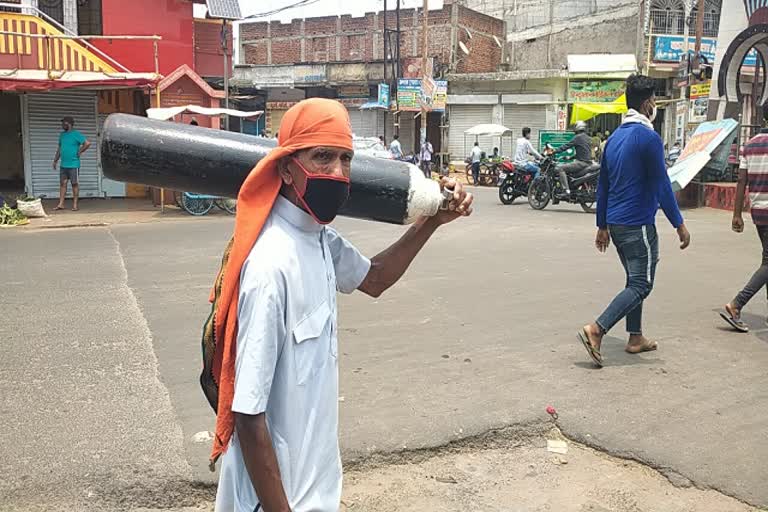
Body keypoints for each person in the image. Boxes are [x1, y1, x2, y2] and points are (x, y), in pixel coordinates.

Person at [209, 98, 473, 512]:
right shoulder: (271, 265)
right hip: (277, 501)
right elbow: (247, 412)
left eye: (345, 159)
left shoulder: (317, 238)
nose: (337, 173)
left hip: (314, 488)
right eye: (322, 157)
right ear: (286, 167)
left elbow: (376, 278)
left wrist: (433, 221)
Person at [577, 74, 690, 368]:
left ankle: (635, 337)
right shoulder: (648, 138)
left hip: (615, 224)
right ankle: (597, 330)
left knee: (634, 279)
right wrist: (679, 224)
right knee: (642, 284)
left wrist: (601, 225)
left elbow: (603, 186)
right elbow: (662, 185)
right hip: (638, 223)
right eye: (653, 100)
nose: (654, 104)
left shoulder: (614, 139)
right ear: (647, 102)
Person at [721, 105, 768, 332]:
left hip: (758, 211)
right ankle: (737, 304)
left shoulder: (750, 145)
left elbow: (741, 181)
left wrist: (737, 213)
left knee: (767, 261)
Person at [52, 116, 91, 211]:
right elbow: (59, 149)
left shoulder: (76, 134)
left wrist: (80, 151)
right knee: (63, 184)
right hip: (63, 165)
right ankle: (61, 204)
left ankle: (75, 205)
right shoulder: (62, 135)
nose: (62, 125)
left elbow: (87, 143)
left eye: (63, 123)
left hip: (73, 165)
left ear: (68, 124)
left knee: (74, 184)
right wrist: (55, 160)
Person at [554, 121, 593, 195]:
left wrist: (555, 151)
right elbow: (583, 152)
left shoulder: (577, 137)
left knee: (560, 168)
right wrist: (570, 157)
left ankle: (566, 190)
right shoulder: (588, 138)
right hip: (589, 163)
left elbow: (566, 146)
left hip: (581, 163)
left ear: (577, 128)